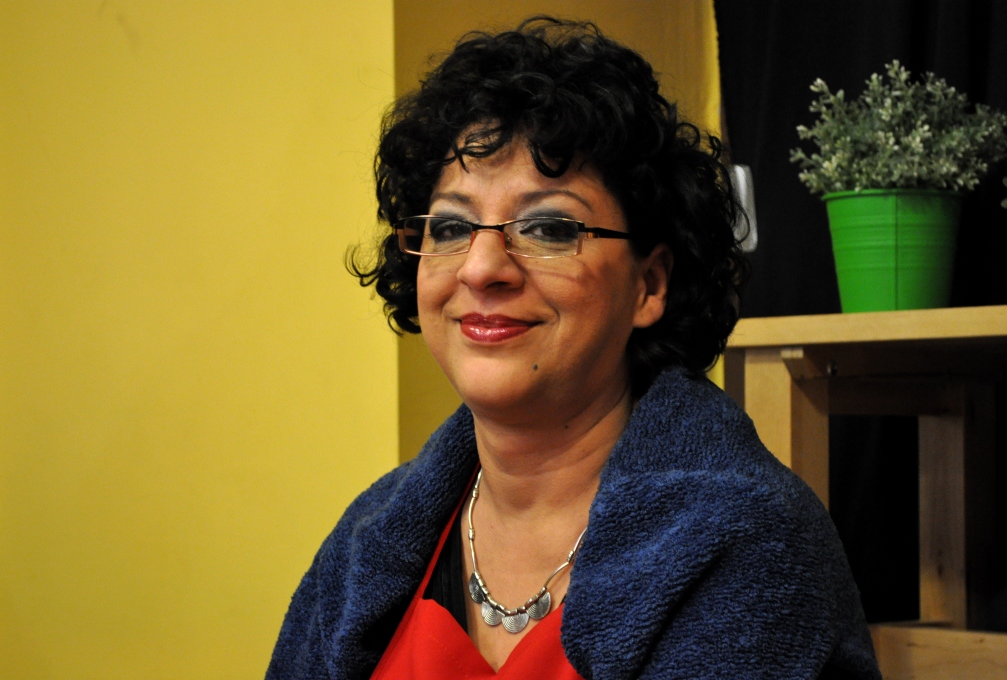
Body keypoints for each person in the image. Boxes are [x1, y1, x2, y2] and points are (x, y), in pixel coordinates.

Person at [266, 18, 880, 680]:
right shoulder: (367, 540)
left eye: (549, 227)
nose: (481, 268)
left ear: (649, 285)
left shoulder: (749, 541)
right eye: (450, 226)